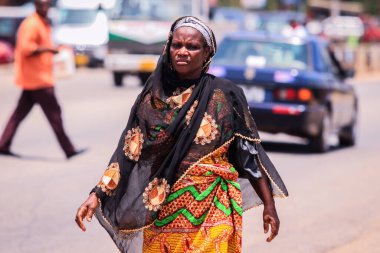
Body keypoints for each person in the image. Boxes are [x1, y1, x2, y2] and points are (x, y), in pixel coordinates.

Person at [75, 16, 288, 252]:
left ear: (207, 52)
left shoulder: (225, 95)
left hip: (212, 208)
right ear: (168, 47)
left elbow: (248, 156)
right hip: (162, 211)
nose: (183, 52)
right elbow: (128, 153)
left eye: (192, 46)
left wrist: (269, 205)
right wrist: (97, 194)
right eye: (177, 45)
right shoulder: (153, 97)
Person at [0, 0, 84, 159]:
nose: (45, 8)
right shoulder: (32, 24)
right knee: (54, 114)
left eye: (47, 5)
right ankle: (69, 149)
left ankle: (3, 144)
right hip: (38, 79)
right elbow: (26, 48)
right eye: (42, 5)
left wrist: (56, 48)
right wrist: (49, 49)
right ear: (36, 5)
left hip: (35, 78)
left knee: (19, 114)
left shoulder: (41, 22)